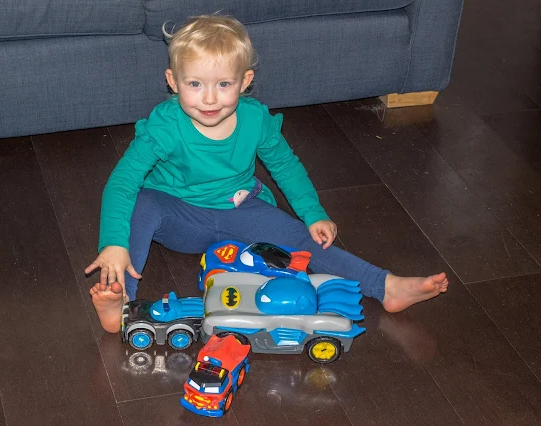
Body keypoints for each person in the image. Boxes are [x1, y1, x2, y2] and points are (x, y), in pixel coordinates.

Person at [85, 15, 448, 333]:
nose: (209, 99)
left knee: (302, 238)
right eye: (195, 84)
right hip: (178, 216)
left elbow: (285, 165)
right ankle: (122, 303)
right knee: (143, 202)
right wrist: (113, 243)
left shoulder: (256, 119)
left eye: (223, 85)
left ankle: (384, 286)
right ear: (173, 81)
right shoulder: (165, 126)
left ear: (245, 82)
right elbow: (122, 181)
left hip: (241, 209)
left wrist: (313, 213)